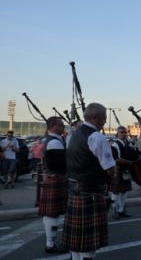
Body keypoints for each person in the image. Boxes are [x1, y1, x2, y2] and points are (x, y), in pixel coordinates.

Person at [62, 103, 117, 260]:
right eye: (104, 118)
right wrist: (111, 176)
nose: (105, 122)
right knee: (87, 240)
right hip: (91, 192)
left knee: (77, 239)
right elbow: (110, 168)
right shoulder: (97, 137)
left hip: (74, 189)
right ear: (95, 117)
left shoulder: (73, 135)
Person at [39, 117, 68, 254]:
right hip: (56, 178)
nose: (63, 127)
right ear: (53, 126)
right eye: (61, 125)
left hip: (52, 178)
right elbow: (62, 164)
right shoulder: (55, 143)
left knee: (51, 213)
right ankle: (50, 243)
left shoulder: (53, 140)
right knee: (52, 214)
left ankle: (50, 241)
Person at [109, 126, 138, 219]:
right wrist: (130, 162)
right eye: (122, 132)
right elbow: (116, 159)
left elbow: (133, 155)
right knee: (116, 191)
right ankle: (115, 211)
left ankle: (121, 210)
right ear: (117, 134)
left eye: (125, 132)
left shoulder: (128, 144)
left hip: (126, 169)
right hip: (117, 170)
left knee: (124, 191)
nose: (124, 134)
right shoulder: (115, 145)